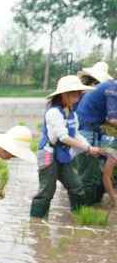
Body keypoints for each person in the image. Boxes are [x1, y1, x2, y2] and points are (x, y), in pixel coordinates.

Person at [30, 76, 102, 219]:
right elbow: (64, 137)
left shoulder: (72, 114)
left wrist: (89, 146)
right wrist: (87, 149)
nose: (78, 96)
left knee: (76, 186)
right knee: (47, 191)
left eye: (79, 93)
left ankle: (79, 217)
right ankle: (37, 224)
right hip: (47, 153)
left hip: (63, 154)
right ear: (64, 94)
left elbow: (75, 134)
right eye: (74, 93)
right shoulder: (53, 113)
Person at [75, 61, 117, 205]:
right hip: (86, 131)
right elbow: (112, 119)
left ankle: (89, 205)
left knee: (91, 173)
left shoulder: (105, 88)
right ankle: (80, 210)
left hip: (90, 130)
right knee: (87, 174)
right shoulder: (113, 89)